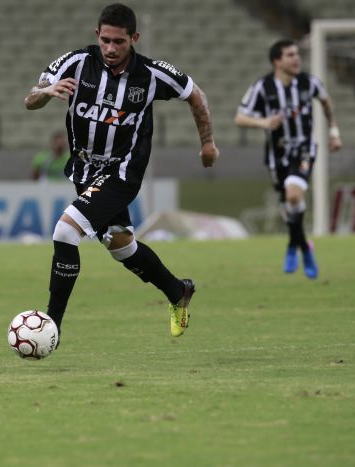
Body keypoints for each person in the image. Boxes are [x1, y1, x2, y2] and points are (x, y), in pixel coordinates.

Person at [23, 3, 219, 345]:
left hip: (123, 171)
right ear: (97, 35)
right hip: (85, 170)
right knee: (120, 245)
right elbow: (30, 99)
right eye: (106, 40)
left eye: (119, 42)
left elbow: (196, 96)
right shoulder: (76, 62)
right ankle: (178, 291)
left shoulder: (152, 74)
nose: (111, 48)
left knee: (65, 231)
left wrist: (207, 143)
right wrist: (46, 93)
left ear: (134, 39)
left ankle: (51, 326)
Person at [235, 39, 342, 280]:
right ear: (277, 61)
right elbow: (240, 117)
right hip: (277, 154)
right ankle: (301, 245)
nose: (297, 59)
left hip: (304, 149)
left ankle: (298, 247)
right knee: (289, 208)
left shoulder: (309, 82)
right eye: (290, 55)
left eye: (297, 54)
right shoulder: (263, 87)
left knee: (293, 196)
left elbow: (326, 101)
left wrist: (334, 131)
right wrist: (264, 122)